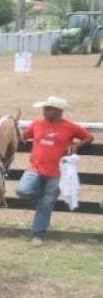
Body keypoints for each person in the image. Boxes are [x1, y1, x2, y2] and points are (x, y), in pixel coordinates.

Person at [19, 96, 91, 245]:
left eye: (48, 109)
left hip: (58, 173)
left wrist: (78, 146)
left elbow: (89, 137)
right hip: (35, 168)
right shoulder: (37, 123)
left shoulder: (70, 127)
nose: (45, 111)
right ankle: (42, 196)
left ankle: (37, 235)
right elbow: (24, 136)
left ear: (58, 111)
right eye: (45, 108)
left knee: (46, 205)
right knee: (23, 190)